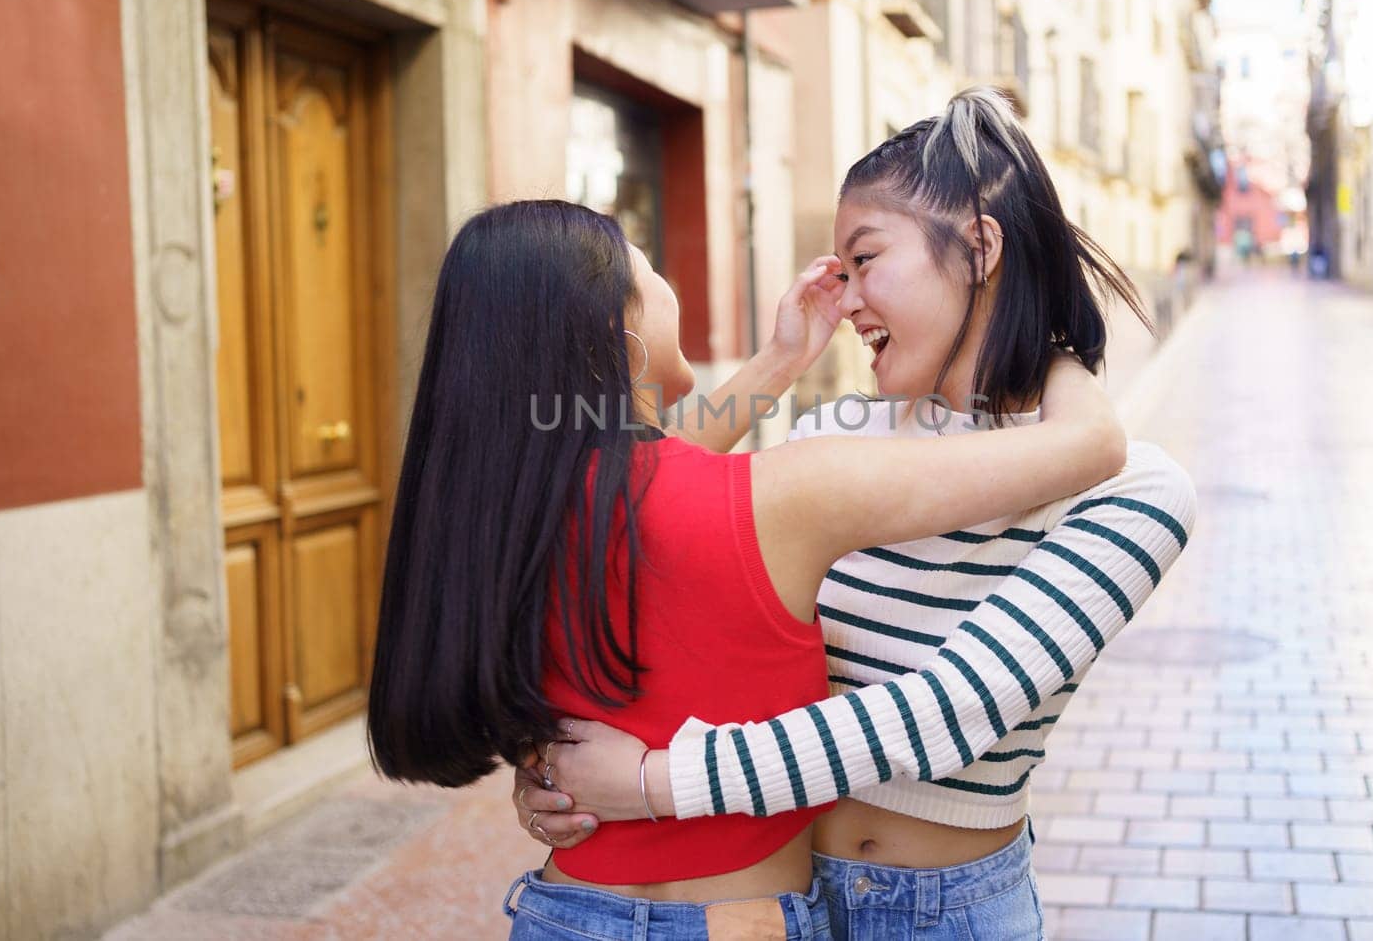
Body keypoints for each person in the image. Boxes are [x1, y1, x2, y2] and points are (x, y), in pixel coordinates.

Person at [516, 88, 1198, 939]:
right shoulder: (838, 433)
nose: (846, 299)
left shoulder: (1134, 487)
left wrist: (654, 779)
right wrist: (778, 360)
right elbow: (649, 498)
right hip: (784, 898)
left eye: (865, 259)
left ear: (981, 249)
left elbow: (946, 714)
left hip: (942, 915)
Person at [366, 194, 1132, 939]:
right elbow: (1086, 446)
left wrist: (782, 357)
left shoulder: (511, 518)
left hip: (560, 912)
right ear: (619, 326)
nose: (667, 281)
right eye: (649, 267)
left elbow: (657, 472)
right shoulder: (791, 493)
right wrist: (1058, 348)